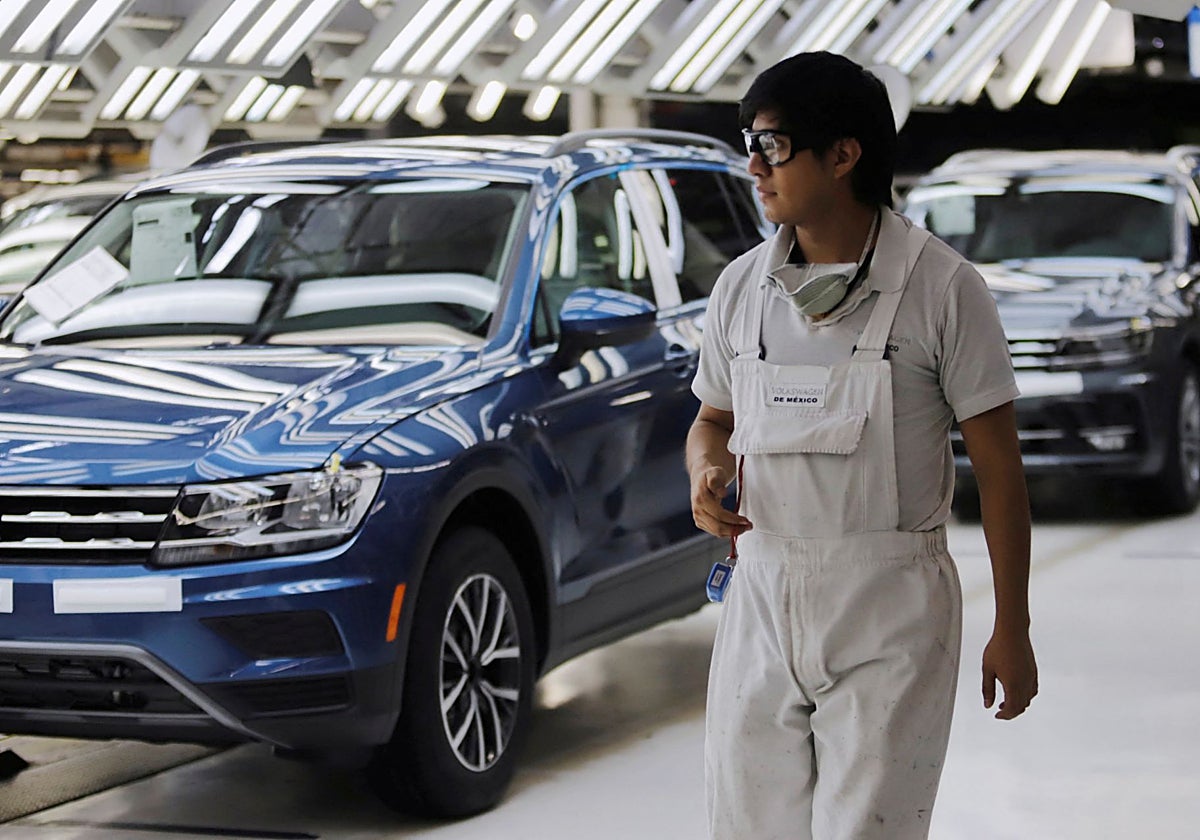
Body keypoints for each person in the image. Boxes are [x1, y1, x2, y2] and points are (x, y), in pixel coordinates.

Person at [686, 51, 1038, 840]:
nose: (753, 166)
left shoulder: (945, 290)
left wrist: (1011, 625)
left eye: (772, 145)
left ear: (843, 155)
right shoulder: (741, 288)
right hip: (762, 593)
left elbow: (1001, 470)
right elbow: (711, 419)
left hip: (891, 605)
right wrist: (705, 469)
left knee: (869, 830)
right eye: (750, 142)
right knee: (746, 826)